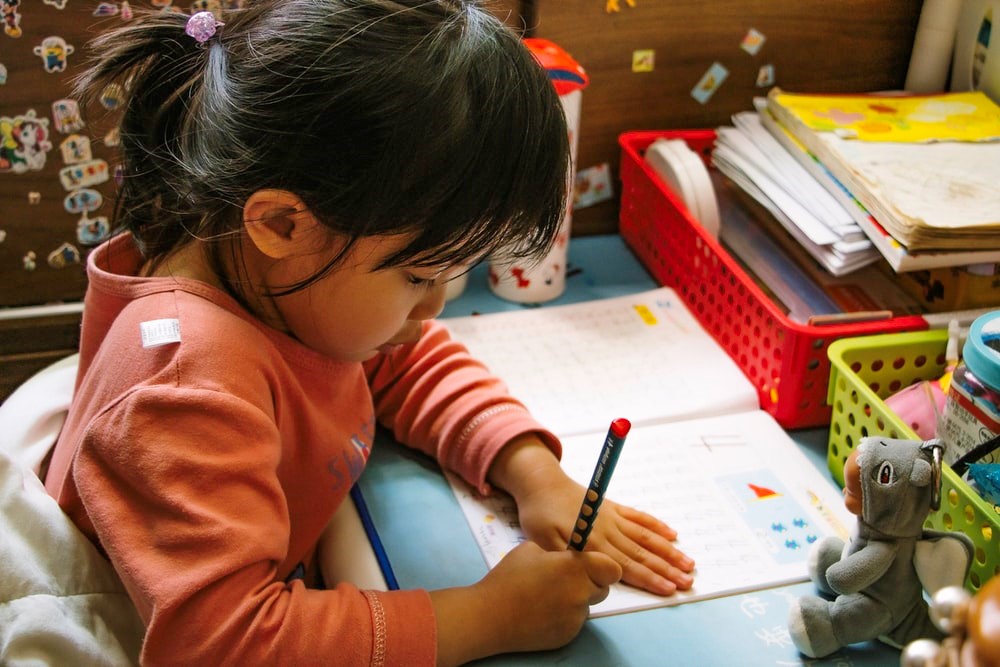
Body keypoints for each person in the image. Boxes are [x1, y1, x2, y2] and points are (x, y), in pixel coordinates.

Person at [44, 2, 695, 665]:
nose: (433, 308)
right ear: (283, 224)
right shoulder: (187, 386)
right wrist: (485, 616)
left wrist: (532, 472)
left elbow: (401, 359)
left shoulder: (272, 272)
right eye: (418, 276)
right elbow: (224, 644)